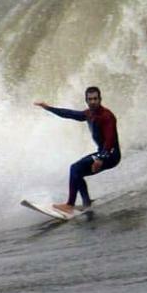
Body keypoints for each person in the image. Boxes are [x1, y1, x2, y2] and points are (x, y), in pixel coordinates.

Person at [34, 86, 120, 216]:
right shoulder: (89, 114)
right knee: (77, 172)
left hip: (111, 155)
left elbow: (110, 140)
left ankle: (70, 205)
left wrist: (101, 158)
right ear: (86, 100)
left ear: (100, 99)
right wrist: (48, 108)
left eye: (95, 99)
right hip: (103, 154)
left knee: (75, 168)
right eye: (90, 99)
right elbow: (69, 114)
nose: (93, 101)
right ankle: (86, 203)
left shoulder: (107, 116)